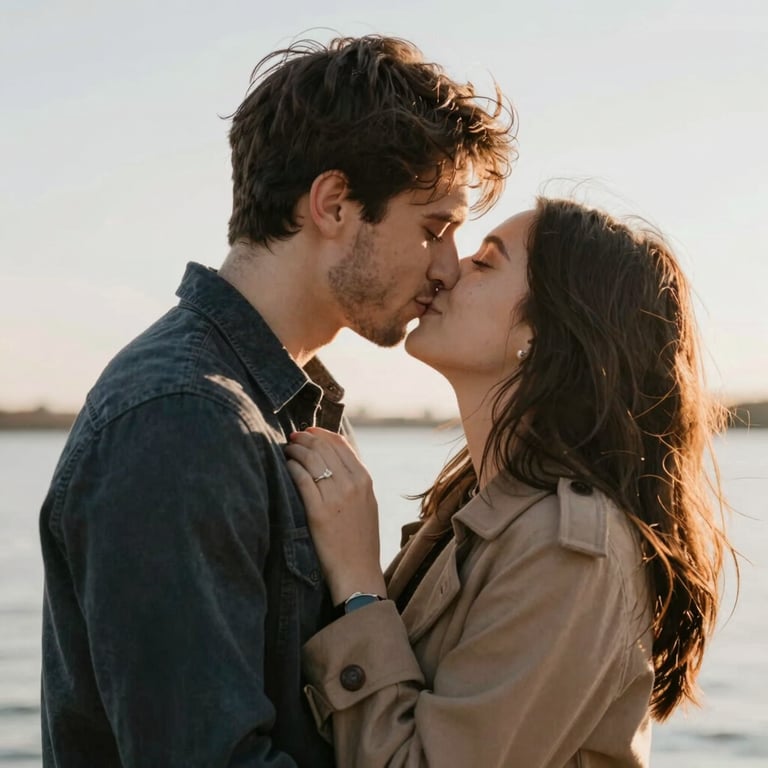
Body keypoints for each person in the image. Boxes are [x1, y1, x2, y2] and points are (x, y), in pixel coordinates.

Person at [38, 36, 514, 767]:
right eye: (435, 228)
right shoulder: (180, 420)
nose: (449, 267)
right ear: (333, 204)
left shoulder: (297, 406)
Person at [285, 197, 735, 767]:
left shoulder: (568, 550)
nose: (445, 271)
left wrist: (357, 582)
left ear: (543, 331)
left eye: (485, 263)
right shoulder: (475, 504)